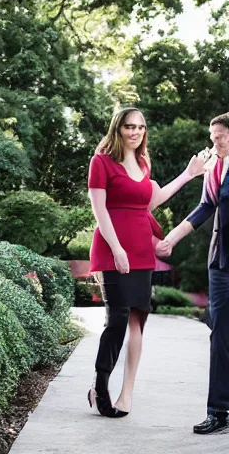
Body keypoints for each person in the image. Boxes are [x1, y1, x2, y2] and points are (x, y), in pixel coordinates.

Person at [87, 107, 205, 418]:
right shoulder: (101, 162)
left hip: (141, 252)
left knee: (137, 320)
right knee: (117, 319)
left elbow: (150, 201)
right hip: (112, 250)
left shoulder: (142, 163)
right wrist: (117, 249)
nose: (135, 132)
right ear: (118, 129)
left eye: (140, 127)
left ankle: (126, 393)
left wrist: (189, 174)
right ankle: (100, 387)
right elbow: (99, 210)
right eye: (129, 126)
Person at [156, 112, 229, 435]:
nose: (215, 142)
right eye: (212, 137)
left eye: (221, 136)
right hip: (221, 262)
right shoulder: (216, 170)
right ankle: (219, 410)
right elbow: (204, 208)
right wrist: (171, 237)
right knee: (221, 335)